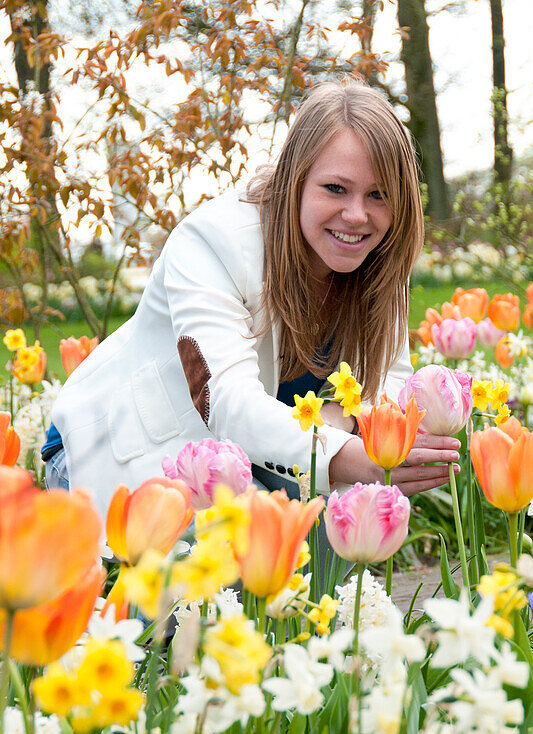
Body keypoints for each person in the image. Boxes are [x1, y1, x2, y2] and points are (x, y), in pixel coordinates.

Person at [46, 78, 460, 518]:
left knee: (322, 559)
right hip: (111, 455)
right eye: (335, 189)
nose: (357, 215)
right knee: (256, 566)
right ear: (295, 179)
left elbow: (388, 377)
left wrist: (347, 421)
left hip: (253, 463)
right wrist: (349, 456)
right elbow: (223, 398)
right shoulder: (213, 241)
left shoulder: (374, 257)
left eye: (378, 195)